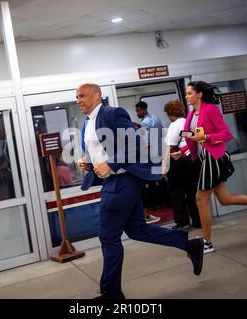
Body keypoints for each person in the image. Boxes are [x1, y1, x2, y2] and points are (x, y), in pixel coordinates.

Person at [76, 83, 204, 299]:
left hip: (121, 182)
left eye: (82, 96)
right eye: (76, 97)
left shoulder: (111, 113)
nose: (78, 100)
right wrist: (88, 164)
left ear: (97, 95)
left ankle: (111, 295)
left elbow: (135, 143)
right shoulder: (87, 123)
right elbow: (103, 152)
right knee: (138, 231)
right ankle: (190, 244)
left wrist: (112, 164)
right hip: (114, 182)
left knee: (108, 237)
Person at [172, 81, 247, 253]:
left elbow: (226, 134)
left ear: (199, 94)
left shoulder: (210, 110)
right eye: (186, 93)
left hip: (214, 158)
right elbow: (194, 138)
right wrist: (183, 151)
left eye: (189, 93)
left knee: (200, 199)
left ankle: (207, 242)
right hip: (205, 159)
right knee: (225, 199)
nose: (186, 96)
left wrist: (206, 136)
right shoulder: (191, 114)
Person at [162, 99, 201, 230]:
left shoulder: (175, 125)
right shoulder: (188, 122)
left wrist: (164, 167)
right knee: (192, 192)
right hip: (192, 161)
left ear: (170, 113)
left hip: (179, 162)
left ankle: (182, 222)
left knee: (176, 193)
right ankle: (198, 220)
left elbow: (171, 146)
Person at [135, 101, 163, 224]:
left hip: (150, 156)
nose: (137, 113)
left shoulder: (145, 122)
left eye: (138, 111)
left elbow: (144, 139)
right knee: (157, 179)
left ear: (144, 109)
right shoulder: (155, 118)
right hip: (158, 153)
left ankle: (149, 210)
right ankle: (157, 205)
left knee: (148, 182)